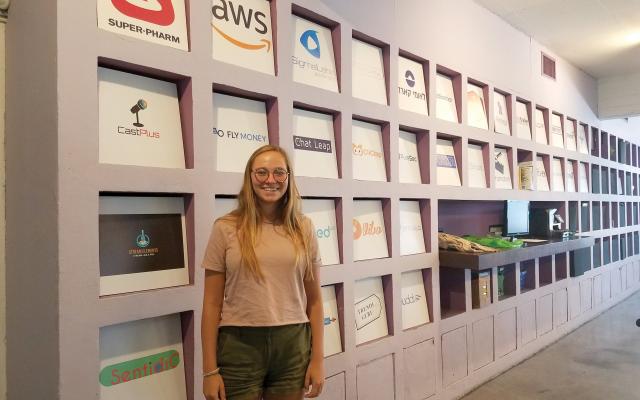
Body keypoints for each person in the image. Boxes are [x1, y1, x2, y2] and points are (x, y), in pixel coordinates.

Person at [201, 145, 325, 400]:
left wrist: (318, 360)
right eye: (262, 173)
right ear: (249, 178)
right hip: (239, 346)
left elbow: (314, 300)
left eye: (279, 172)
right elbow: (211, 305)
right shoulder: (225, 228)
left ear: (289, 178)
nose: (271, 180)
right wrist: (209, 371)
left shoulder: (304, 227)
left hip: (293, 346)